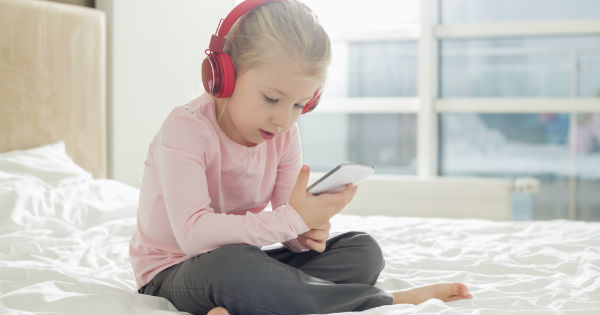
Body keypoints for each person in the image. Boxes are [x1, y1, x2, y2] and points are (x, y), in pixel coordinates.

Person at [129, 1, 472, 314]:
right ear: (224, 77)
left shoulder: (283, 133)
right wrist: (293, 219)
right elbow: (194, 234)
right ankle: (381, 301)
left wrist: (308, 231)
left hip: (241, 263)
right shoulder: (186, 128)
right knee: (234, 264)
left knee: (362, 251)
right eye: (272, 99)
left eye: (299, 105)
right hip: (173, 271)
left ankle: (255, 303)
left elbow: (286, 223)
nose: (285, 120)